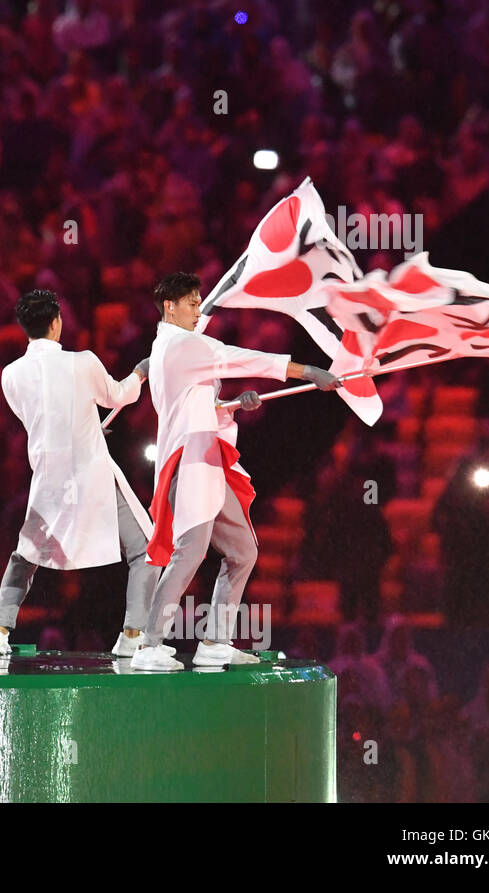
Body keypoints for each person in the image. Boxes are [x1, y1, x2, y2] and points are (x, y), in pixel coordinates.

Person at [131, 272, 342, 670]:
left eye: (199, 302)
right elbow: (242, 357)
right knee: (189, 554)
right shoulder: (179, 346)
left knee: (243, 550)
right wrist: (310, 371)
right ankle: (150, 645)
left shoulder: (179, 348)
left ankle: (216, 641)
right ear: (170, 307)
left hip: (208, 458)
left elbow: (200, 405)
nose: (198, 310)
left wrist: (232, 405)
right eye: (192, 303)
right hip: (189, 463)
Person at [0, 289, 171, 659]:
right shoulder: (83, 361)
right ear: (56, 322)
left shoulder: (9, 375)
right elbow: (119, 396)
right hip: (90, 477)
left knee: (26, 555)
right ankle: (132, 634)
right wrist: (140, 372)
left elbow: (40, 420)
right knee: (148, 550)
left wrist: (81, 425)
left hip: (50, 479)